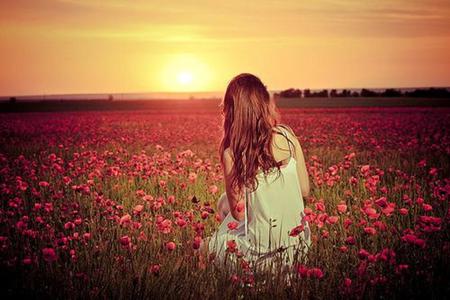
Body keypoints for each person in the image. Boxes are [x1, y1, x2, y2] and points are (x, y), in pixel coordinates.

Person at [201, 73, 312, 272]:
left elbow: (238, 214)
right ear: (263, 104)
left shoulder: (233, 154)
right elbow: (304, 190)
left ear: (231, 110)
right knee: (224, 202)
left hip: (259, 253)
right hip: (298, 248)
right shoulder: (287, 137)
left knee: (203, 249)